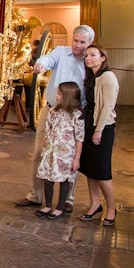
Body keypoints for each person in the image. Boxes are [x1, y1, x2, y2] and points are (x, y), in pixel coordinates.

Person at [15, 25, 95, 212]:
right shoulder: (61, 52)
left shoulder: (90, 60)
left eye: (82, 42)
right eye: (75, 40)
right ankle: (35, 195)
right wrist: (41, 64)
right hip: (51, 111)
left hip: (75, 114)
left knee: (70, 158)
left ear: (89, 42)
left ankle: (67, 200)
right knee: (39, 153)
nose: (77, 45)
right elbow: (48, 58)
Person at [78, 44, 119, 226]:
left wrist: (98, 130)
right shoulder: (92, 77)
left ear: (103, 57)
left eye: (93, 55)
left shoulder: (108, 77)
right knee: (90, 169)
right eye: (86, 55)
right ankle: (95, 204)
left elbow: (107, 107)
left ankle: (111, 208)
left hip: (102, 128)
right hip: (88, 126)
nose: (88, 58)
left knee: (102, 172)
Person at [36, 82, 84, 219]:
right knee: (48, 180)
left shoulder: (77, 115)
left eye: (59, 94)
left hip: (66, 155)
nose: (56, 96)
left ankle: (60, 207)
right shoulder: (53, 111)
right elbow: (48, 131)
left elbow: (79, 138)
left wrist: (77, 158)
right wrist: (43, 149)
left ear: (67, 96)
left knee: (64, 181)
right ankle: (47, 205)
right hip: (51, 152)